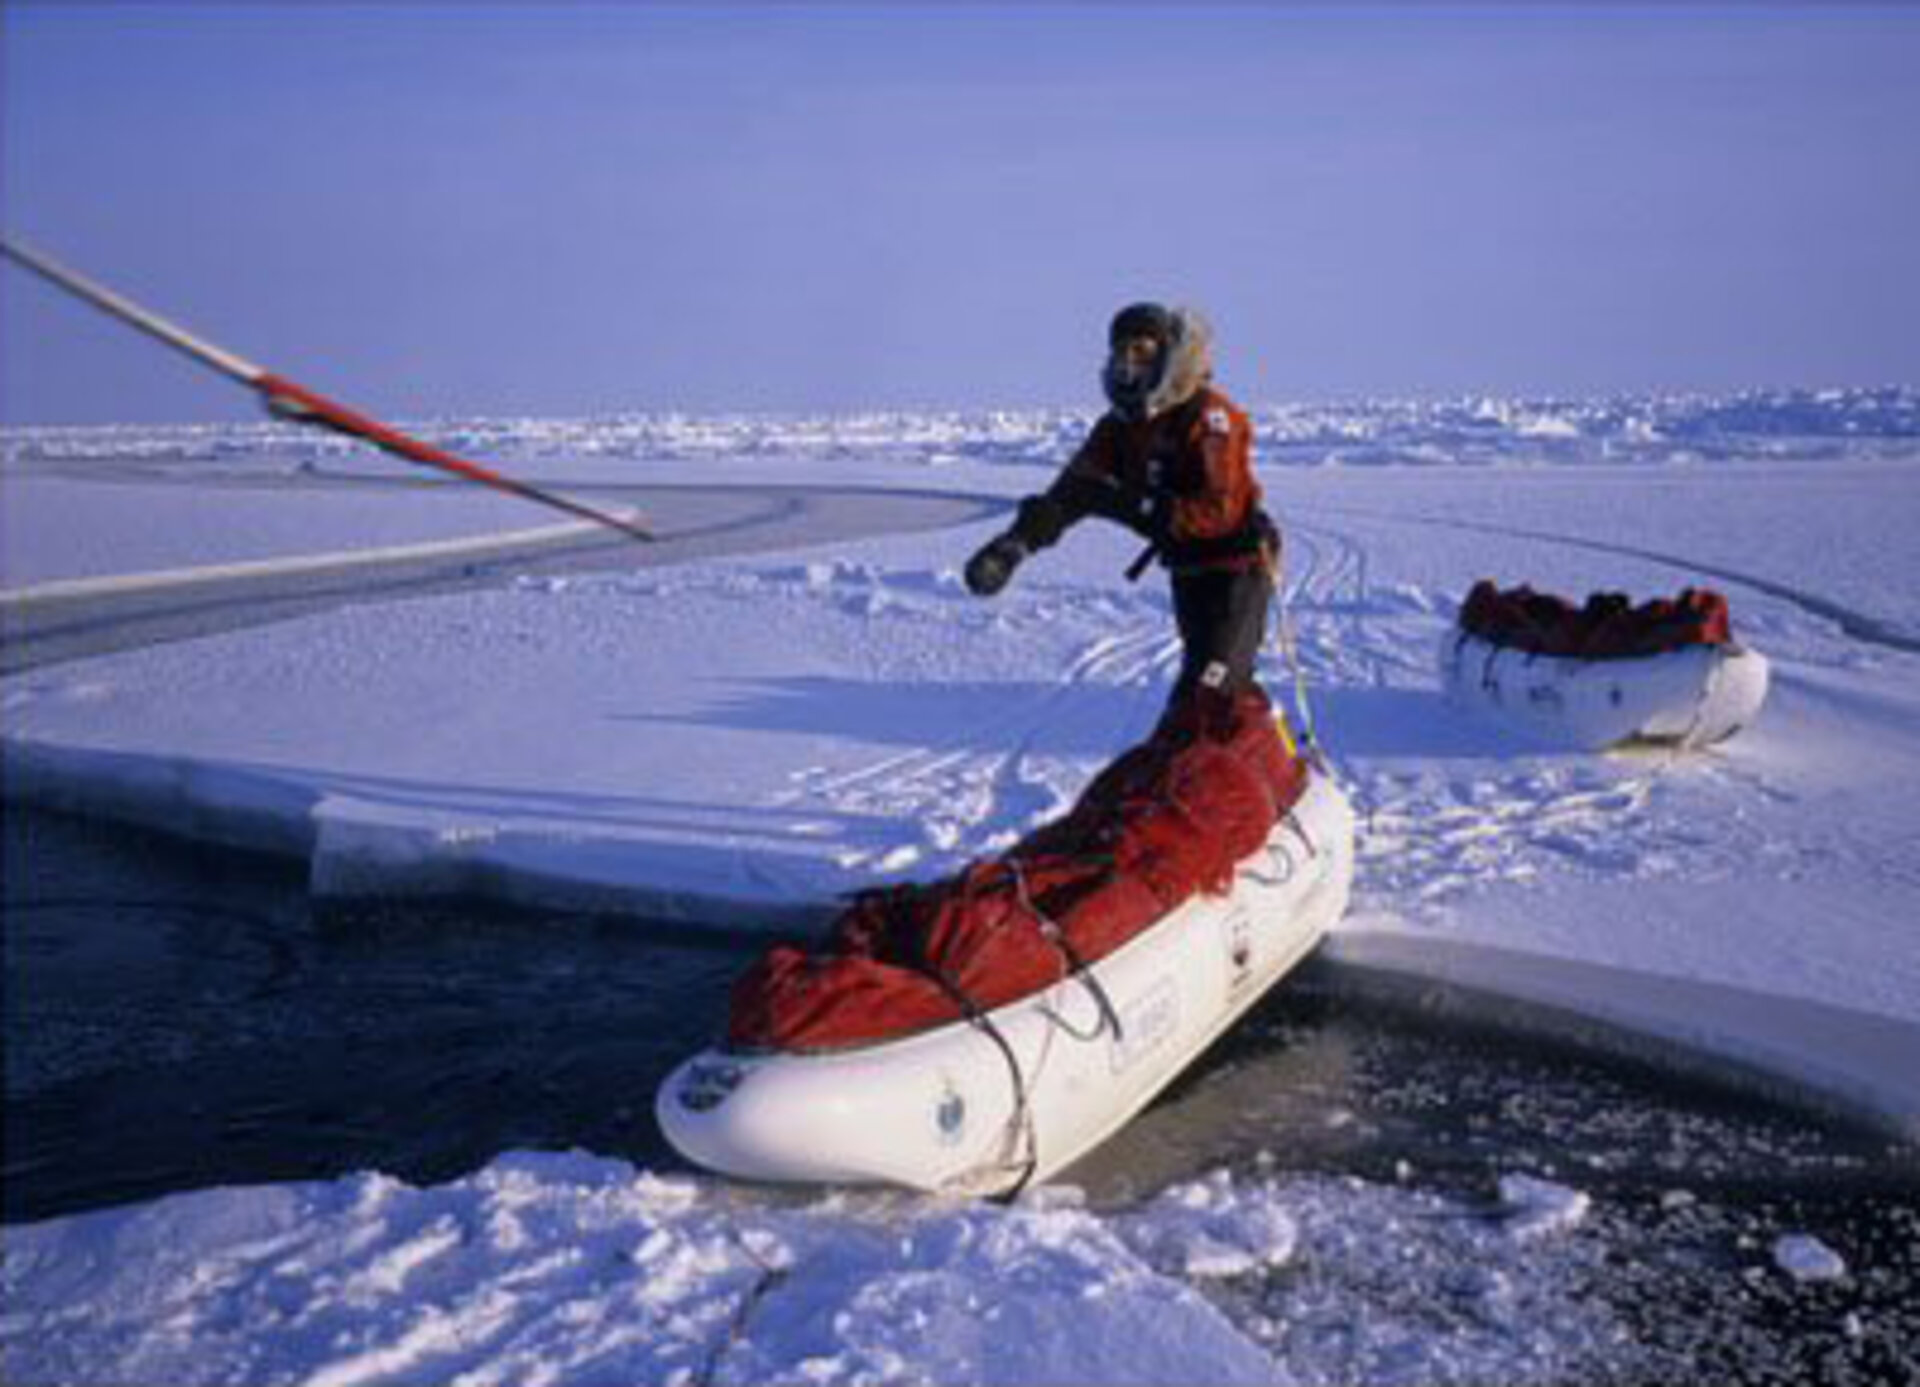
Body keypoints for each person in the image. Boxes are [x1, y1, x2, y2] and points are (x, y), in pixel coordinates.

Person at [964, 301, 1279, 730]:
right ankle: (1243, 753)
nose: (1129, 363)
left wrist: (1129, 504)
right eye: (1121, 352)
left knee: (1211, 691)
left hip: (1237, 567)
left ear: (1168, 356)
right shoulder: (1118, 426)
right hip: (1187, 567)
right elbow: (1072, 491)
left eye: (1142, 351)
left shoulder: (1210, 416)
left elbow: (1217, 512)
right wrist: (1013, 546)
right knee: (1203, 683)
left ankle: (1261, 759)